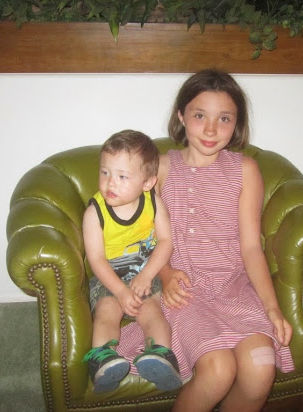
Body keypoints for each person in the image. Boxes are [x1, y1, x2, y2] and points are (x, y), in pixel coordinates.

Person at [117, 70, 294, 411]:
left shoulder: (246, 170)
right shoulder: (161, 168)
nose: (211, 130)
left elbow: (251, 247)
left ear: (237, 123)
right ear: (181, 116)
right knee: (218, 370)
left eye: (224, 119)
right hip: (183, 292)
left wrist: (272, 308)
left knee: (261, 368)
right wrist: (166, 274)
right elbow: (143, 237)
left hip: (233, 287)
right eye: (200, 116)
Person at [82, 130, 181, 394]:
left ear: (147, 182)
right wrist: (120, 291)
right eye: (105, 172)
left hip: (144, 274)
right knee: (106, 312)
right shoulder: (95, 212)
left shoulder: (153, 202)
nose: (110, 183)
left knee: (152, 312)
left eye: (122, 177)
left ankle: (160, 355)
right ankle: (103, 359)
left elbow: (166, 242)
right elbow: (96, 259)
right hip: (109, 278)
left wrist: (147, 275)